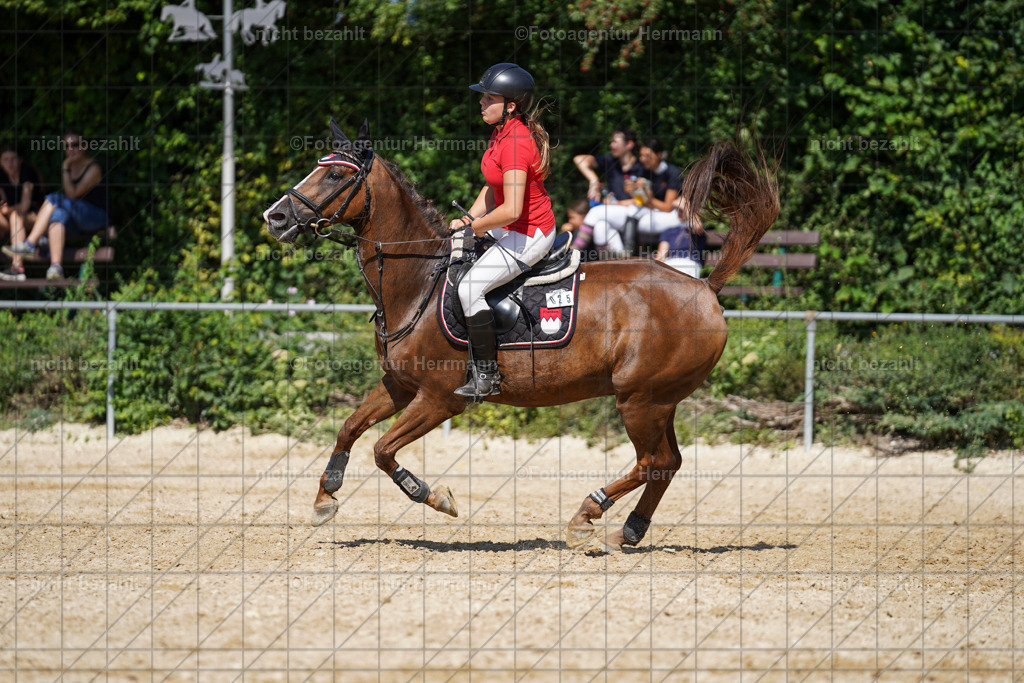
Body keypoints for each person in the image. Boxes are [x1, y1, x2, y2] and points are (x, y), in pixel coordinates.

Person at [449, 62, 556, 399]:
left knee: (469, 289)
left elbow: (511, 209)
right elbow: (492, 188)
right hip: (510, 227)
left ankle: (487, 376)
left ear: (511, 105)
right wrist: (468, 221)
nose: (481, 102)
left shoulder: (515, 142)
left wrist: (476, 228)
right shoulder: (501, 132)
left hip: (530, 233)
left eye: (488, 98)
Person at [3, 131, 108, 280]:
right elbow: (69, 196)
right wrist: (67, 167)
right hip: (77, 218)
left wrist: (65, 165)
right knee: (57, 214)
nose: (71, 149)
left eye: (75, 145)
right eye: (67, 146)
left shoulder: (93, 168)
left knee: (55, 198)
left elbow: (71, 194)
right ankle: (55, 268)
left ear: (84, 146)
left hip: (96, 216)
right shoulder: (71, 167)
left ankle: (29, 245)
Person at [581, 138, 685, 254]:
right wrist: (632, 191)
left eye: (647, 156)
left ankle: (628, 252)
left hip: (668, 217)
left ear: (659, 154)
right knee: (601, 225)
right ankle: (621, 260)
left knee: (617, 212)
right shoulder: (643, 171)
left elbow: (667, 208)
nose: (643, 159)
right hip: (645, 214)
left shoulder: (671, 173)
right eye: (641, 156)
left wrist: (648, 198)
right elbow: (639, 201)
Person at [0, 144, 44, 281]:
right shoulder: (1, 175)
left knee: (15, 216)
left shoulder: (27, 172)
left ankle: (17, 267)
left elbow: (24, 206)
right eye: (6, 159)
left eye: (13, 159)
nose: (10, 163)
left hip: (36, 217)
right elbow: (2, 204)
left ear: (20, 160)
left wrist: (7, 210)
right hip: (12, 223)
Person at [573, 128, 646, 204]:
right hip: (612, 210)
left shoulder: (643, 167)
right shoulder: (610, 161)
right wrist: (594, 180)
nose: (611, 145)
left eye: (615, 142)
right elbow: (579, 159)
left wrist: (616, 203)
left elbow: (646, 200)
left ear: (629, 144)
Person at [655, 203, 707, 278]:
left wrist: (688, 211)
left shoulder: (695, 231)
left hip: (690, 263)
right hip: (671, 263)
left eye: (682, 211)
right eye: (678, 210)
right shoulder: (669, 231)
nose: (679, 212)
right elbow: (660, 257)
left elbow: (698, 226)